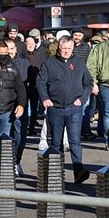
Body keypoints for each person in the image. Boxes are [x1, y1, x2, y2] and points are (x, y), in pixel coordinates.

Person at [36, 36, 93, 184]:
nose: (66, 51)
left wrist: (82, 99)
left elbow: (88, 83)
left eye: (69, 49)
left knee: (75, 141)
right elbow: (40, 82)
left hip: (74, 108)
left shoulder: (79, 63)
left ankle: (78, 172)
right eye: (63, 49)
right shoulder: (49, 63)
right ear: (59, 49)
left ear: (72, 48)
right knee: (56, 142)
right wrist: (45, 98)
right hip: (55, 108)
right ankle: (56, 175)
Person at [5, 39, 30, 176]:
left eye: (12, 49)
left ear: (16, 50)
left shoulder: (24, 64)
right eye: (7, 48)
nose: (9, 51)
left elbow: (30, 84)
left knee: (20, 135)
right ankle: (8, 163)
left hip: (21, 104)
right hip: (4, 104)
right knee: (7, 135)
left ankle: (16, 160)